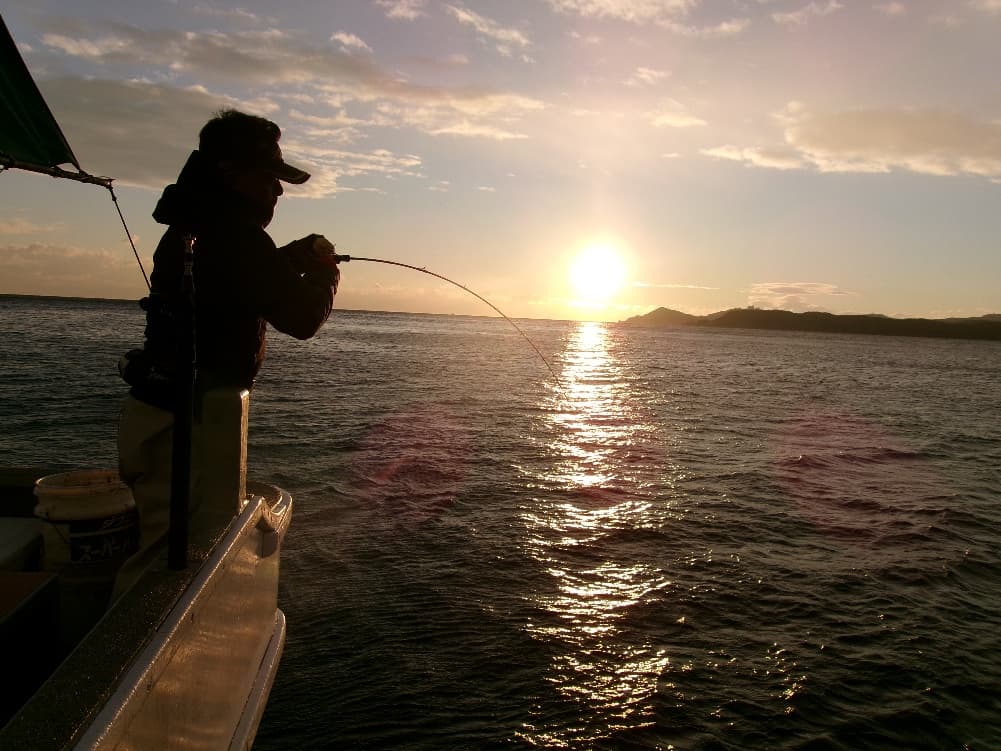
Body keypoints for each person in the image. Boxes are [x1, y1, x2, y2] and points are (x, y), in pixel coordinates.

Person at [115, 109, 339, 596]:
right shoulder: (235, 237)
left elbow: (233, 286)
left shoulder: (198, 226)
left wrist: (293, 257)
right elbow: (301, 319)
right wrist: (325, 273)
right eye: (269, 177)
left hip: (166, 417)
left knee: (168, 549)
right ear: (230, 172)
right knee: (163, 564)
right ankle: (114, 669)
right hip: (184, 428)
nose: (277, 190)